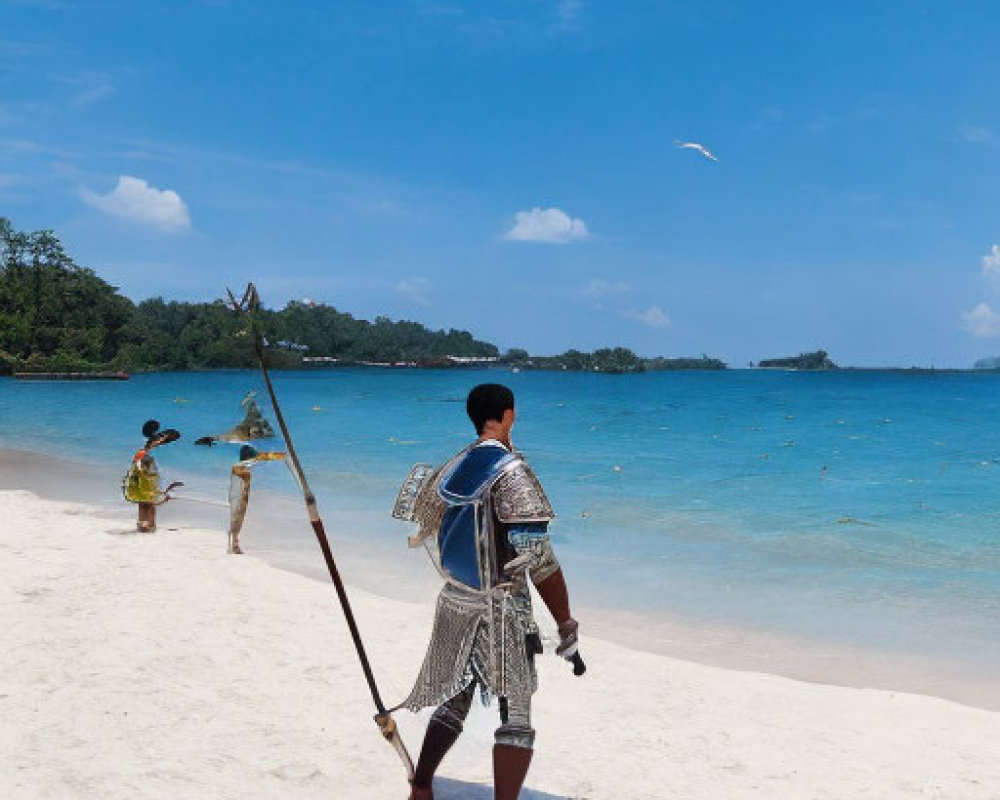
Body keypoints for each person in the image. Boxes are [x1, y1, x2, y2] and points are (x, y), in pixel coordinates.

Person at [392, 383, 582, 800]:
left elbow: (426, 524)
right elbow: (539, 559)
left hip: (455, 601)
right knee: (516, 715)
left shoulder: (453, 465)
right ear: (509, 415)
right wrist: (565, 621)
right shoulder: (511, 472)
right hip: (502, 611)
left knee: (454, 697)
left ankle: (421, 786)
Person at [122, 419, 181, 532]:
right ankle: (149, 525)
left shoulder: (143, 450)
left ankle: (144, 525)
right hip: (144, 478)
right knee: (148, 503)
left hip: (142, 478)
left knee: (144, 503)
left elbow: (137, 465)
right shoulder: (144, 451)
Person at [227, 444, 286, 554]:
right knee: (237, 519)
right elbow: (244, 470)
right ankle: (233, 545)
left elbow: (263, 456)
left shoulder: (243, 465)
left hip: (241, 495)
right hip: (238, 496)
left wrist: (282, 456)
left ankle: (234, 544)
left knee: (238, 519)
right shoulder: (238, 466)